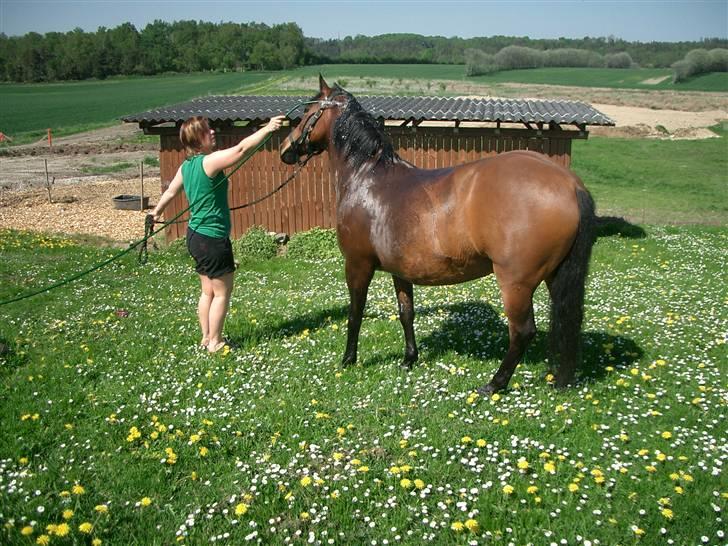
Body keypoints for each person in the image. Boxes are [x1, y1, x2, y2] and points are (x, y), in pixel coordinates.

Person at [151, 114, 285, 353]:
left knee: (207, 291)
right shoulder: (208, 162)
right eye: (206, 131)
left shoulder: (186, 166)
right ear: (196, 140)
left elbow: (171, 192)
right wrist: (268, 129)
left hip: (194, 236)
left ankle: (206, 337)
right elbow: (242, 149)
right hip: (212, 238)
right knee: (222, 293)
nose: (212, 132)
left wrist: (155, 213)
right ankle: (215, 342)